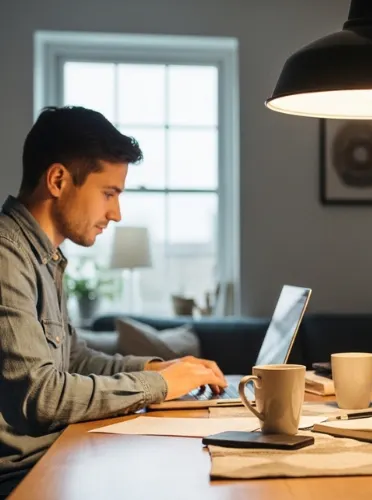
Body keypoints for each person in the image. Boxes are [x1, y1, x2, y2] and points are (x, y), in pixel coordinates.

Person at [0, 106, 228, 497]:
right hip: (22, 479)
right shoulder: (7, 256)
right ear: (58, 179)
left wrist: (162, 366)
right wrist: (157, 384)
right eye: (109, 193)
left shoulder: (43, 257)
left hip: (56, 456)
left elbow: (75, 359)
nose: (116, 213)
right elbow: (43, 396)